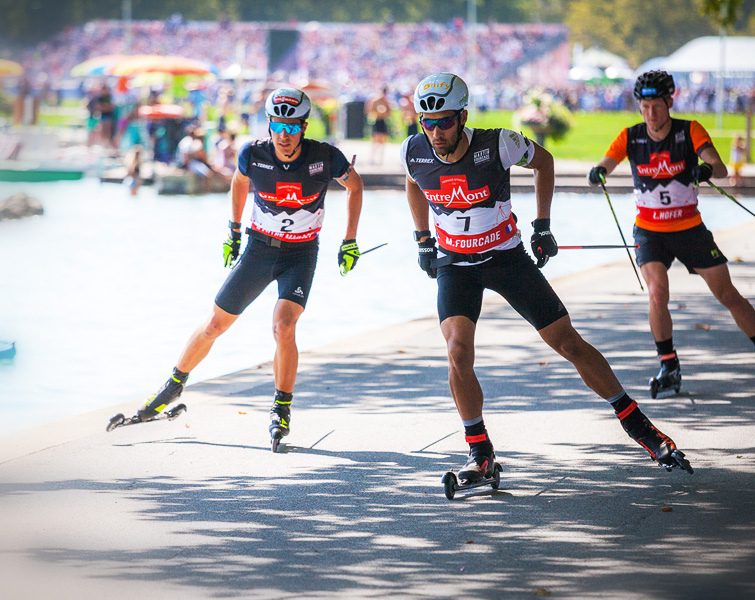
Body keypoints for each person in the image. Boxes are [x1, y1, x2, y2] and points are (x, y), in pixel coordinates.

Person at [404, 72, 693, 482]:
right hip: (455, 265)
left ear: (462, 117)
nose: (435, 132)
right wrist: (422, 240)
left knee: (567, 342)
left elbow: (544, 162)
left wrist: (542, 225)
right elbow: (413, 183)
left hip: (505, 259)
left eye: (444, 122)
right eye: (427, 123)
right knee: (457, 351)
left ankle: (640, 427)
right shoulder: (413, 150)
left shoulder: (498, 143)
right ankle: (480, 452)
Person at [125, 88, 365, 442]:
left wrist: (350, 240)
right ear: (269, 125)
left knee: (283, 326)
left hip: (300, 254)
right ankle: (173, 385)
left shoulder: (325, 157)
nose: (284, 135)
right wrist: (233, 231)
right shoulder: (253, 154)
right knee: (215, 324)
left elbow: (355, 186)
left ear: (303, 126)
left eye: (292, 127)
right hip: (259, 251)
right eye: (278, 126)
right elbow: (239, 182)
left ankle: (281, 409)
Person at [587, 70, 755, 396]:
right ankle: (669, 366)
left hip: (689, 229)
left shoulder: (688, 130)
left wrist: (705, 168)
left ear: (670, 102)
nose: (651, 114)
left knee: (727, 294)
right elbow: (606, 163)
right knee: (657, 293)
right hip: (650, 231)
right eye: (645, 107)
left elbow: (720, 167)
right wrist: (598, 172)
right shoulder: (631, 136)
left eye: (656, 106)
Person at [366, 87, 393, 165]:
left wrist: (384, 112)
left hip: (383, 121)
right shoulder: (375, 100)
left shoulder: (387, 101)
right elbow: (369, 111)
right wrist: (378, 112)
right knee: (375, 140)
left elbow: (389, 113)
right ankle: (372, 158)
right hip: (377, 121)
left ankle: (380, 159)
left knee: (383, 141)